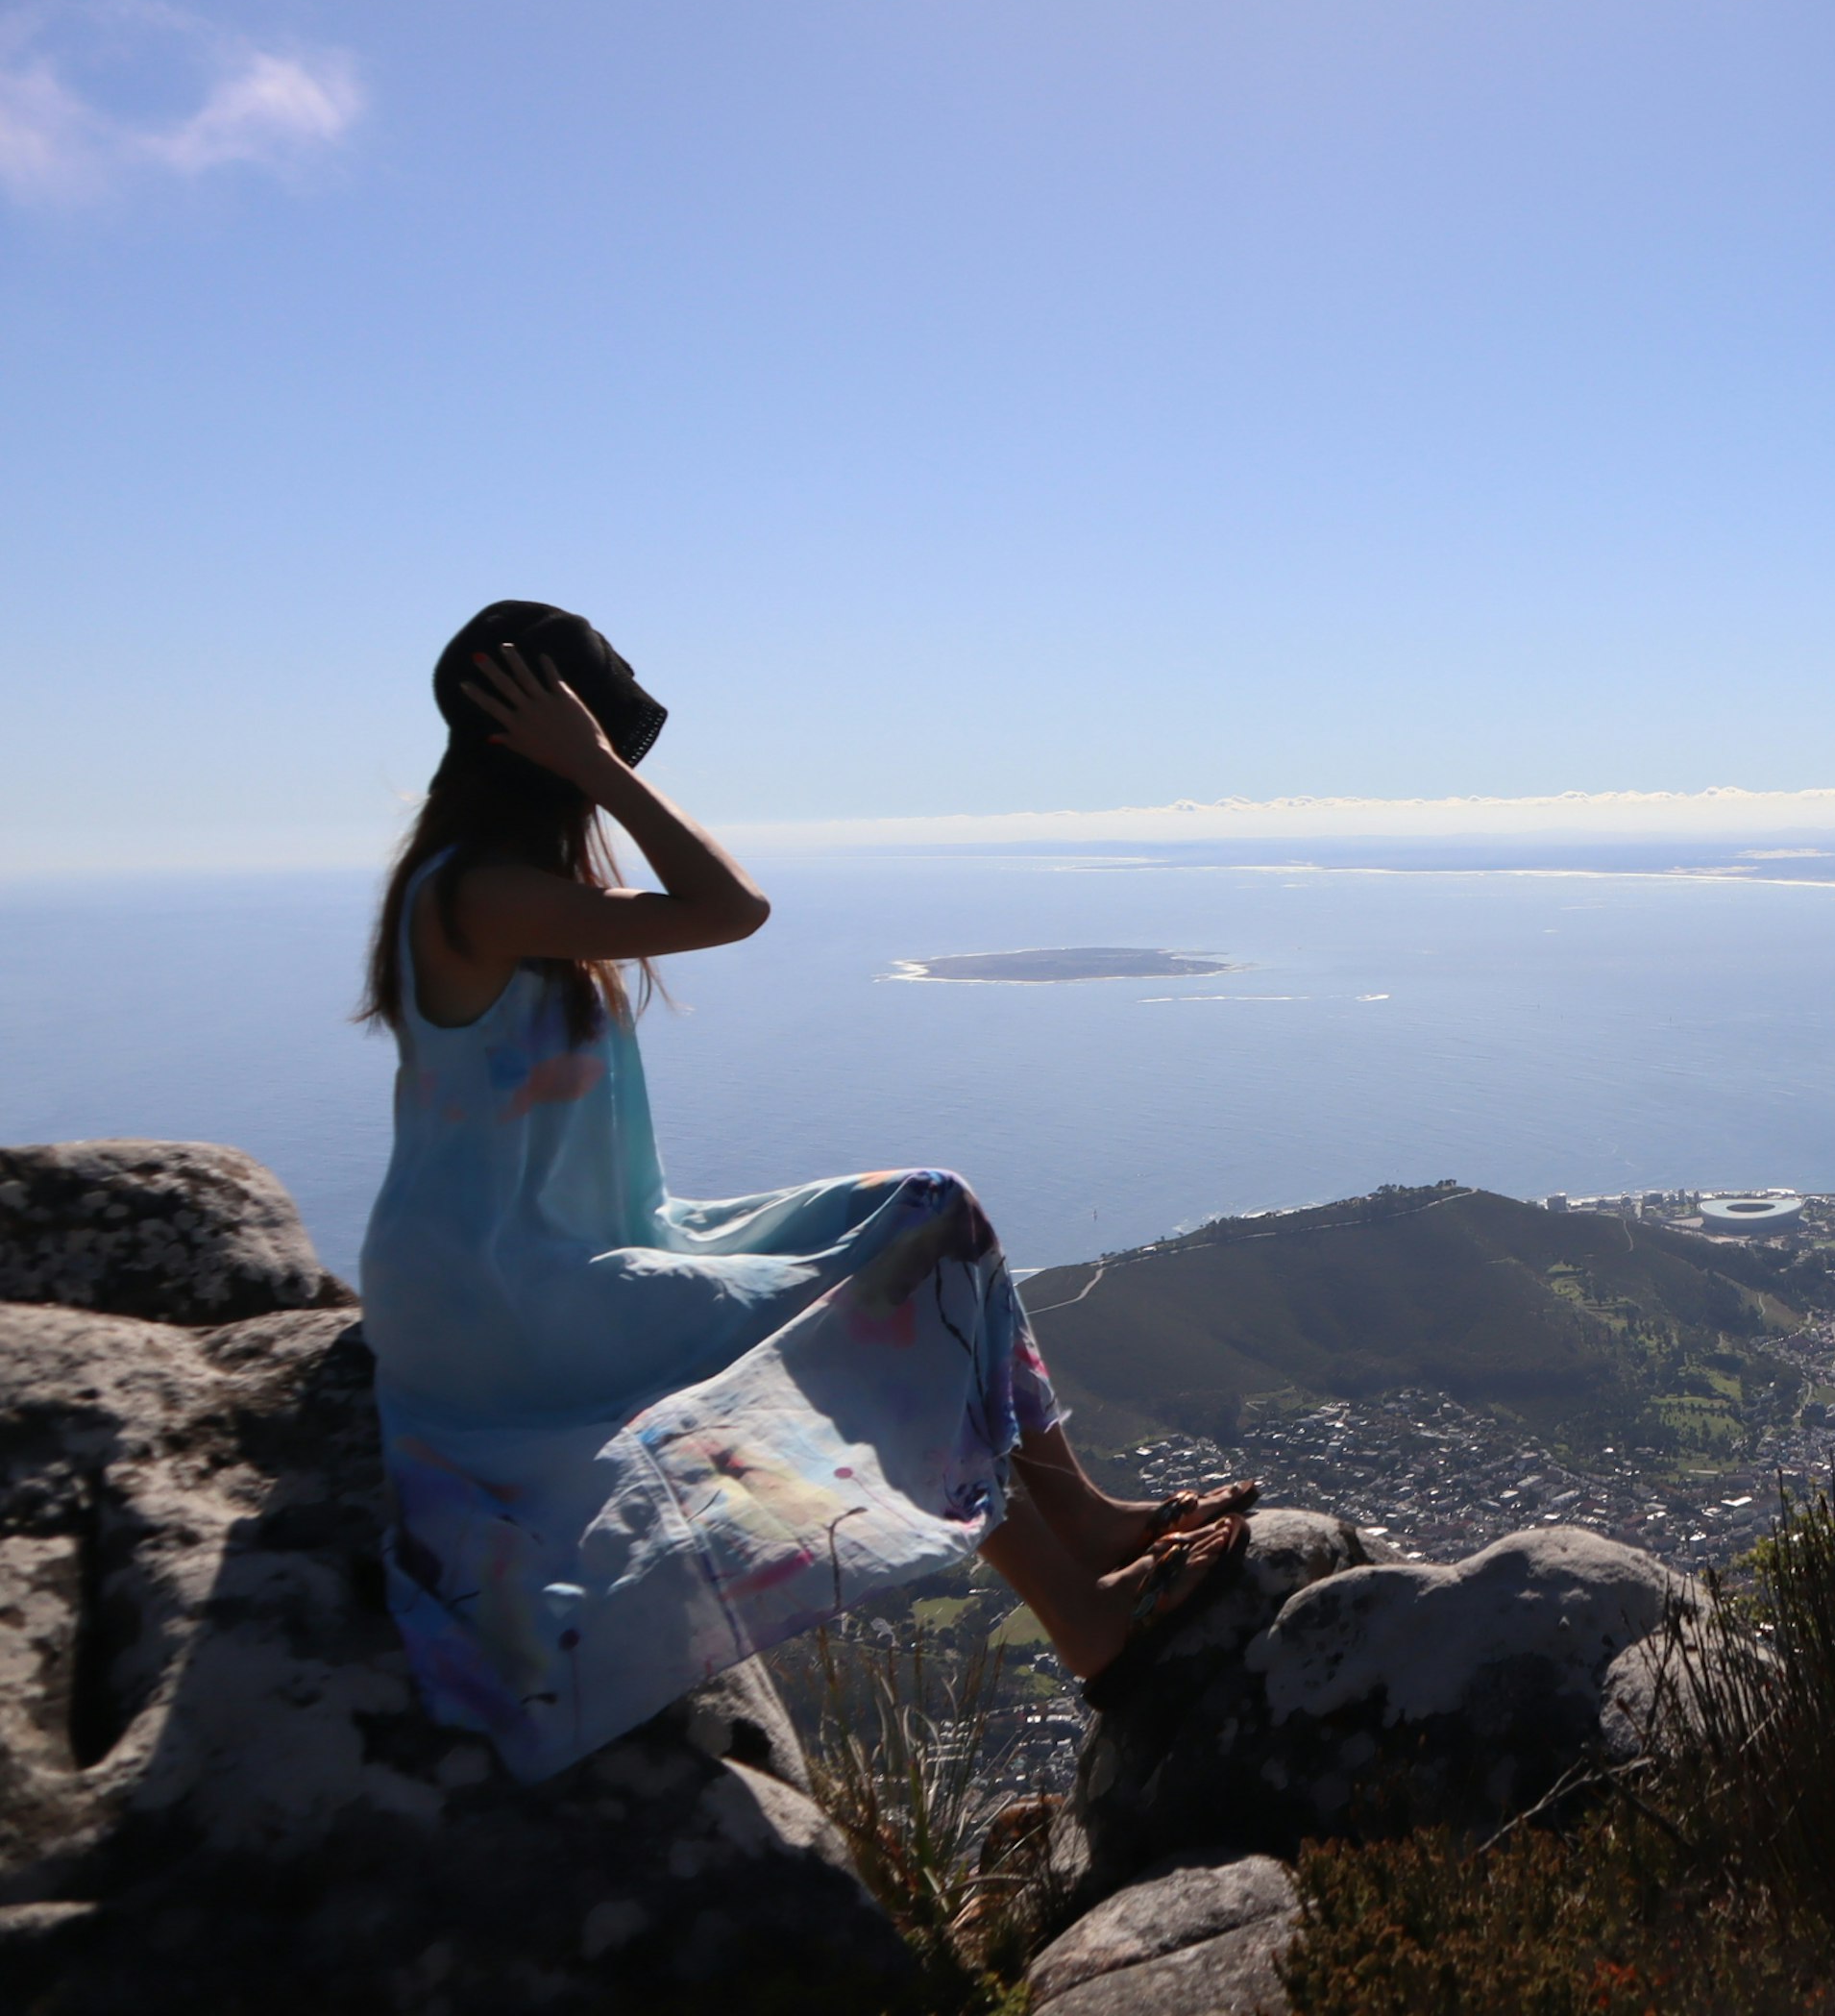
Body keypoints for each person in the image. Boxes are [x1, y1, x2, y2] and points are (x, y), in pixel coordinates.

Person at [357, 600, 1244, 1782]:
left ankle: (1080, 1518)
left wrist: (589, 764)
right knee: (890, 1296)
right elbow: (733, 908)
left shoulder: (511, 889)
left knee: (936, 1207)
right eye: (586, 740)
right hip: (509, 1294)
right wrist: (603, 769)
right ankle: (1086, 1622)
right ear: (532, 744)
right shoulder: (473, 894)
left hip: (599, 1248)